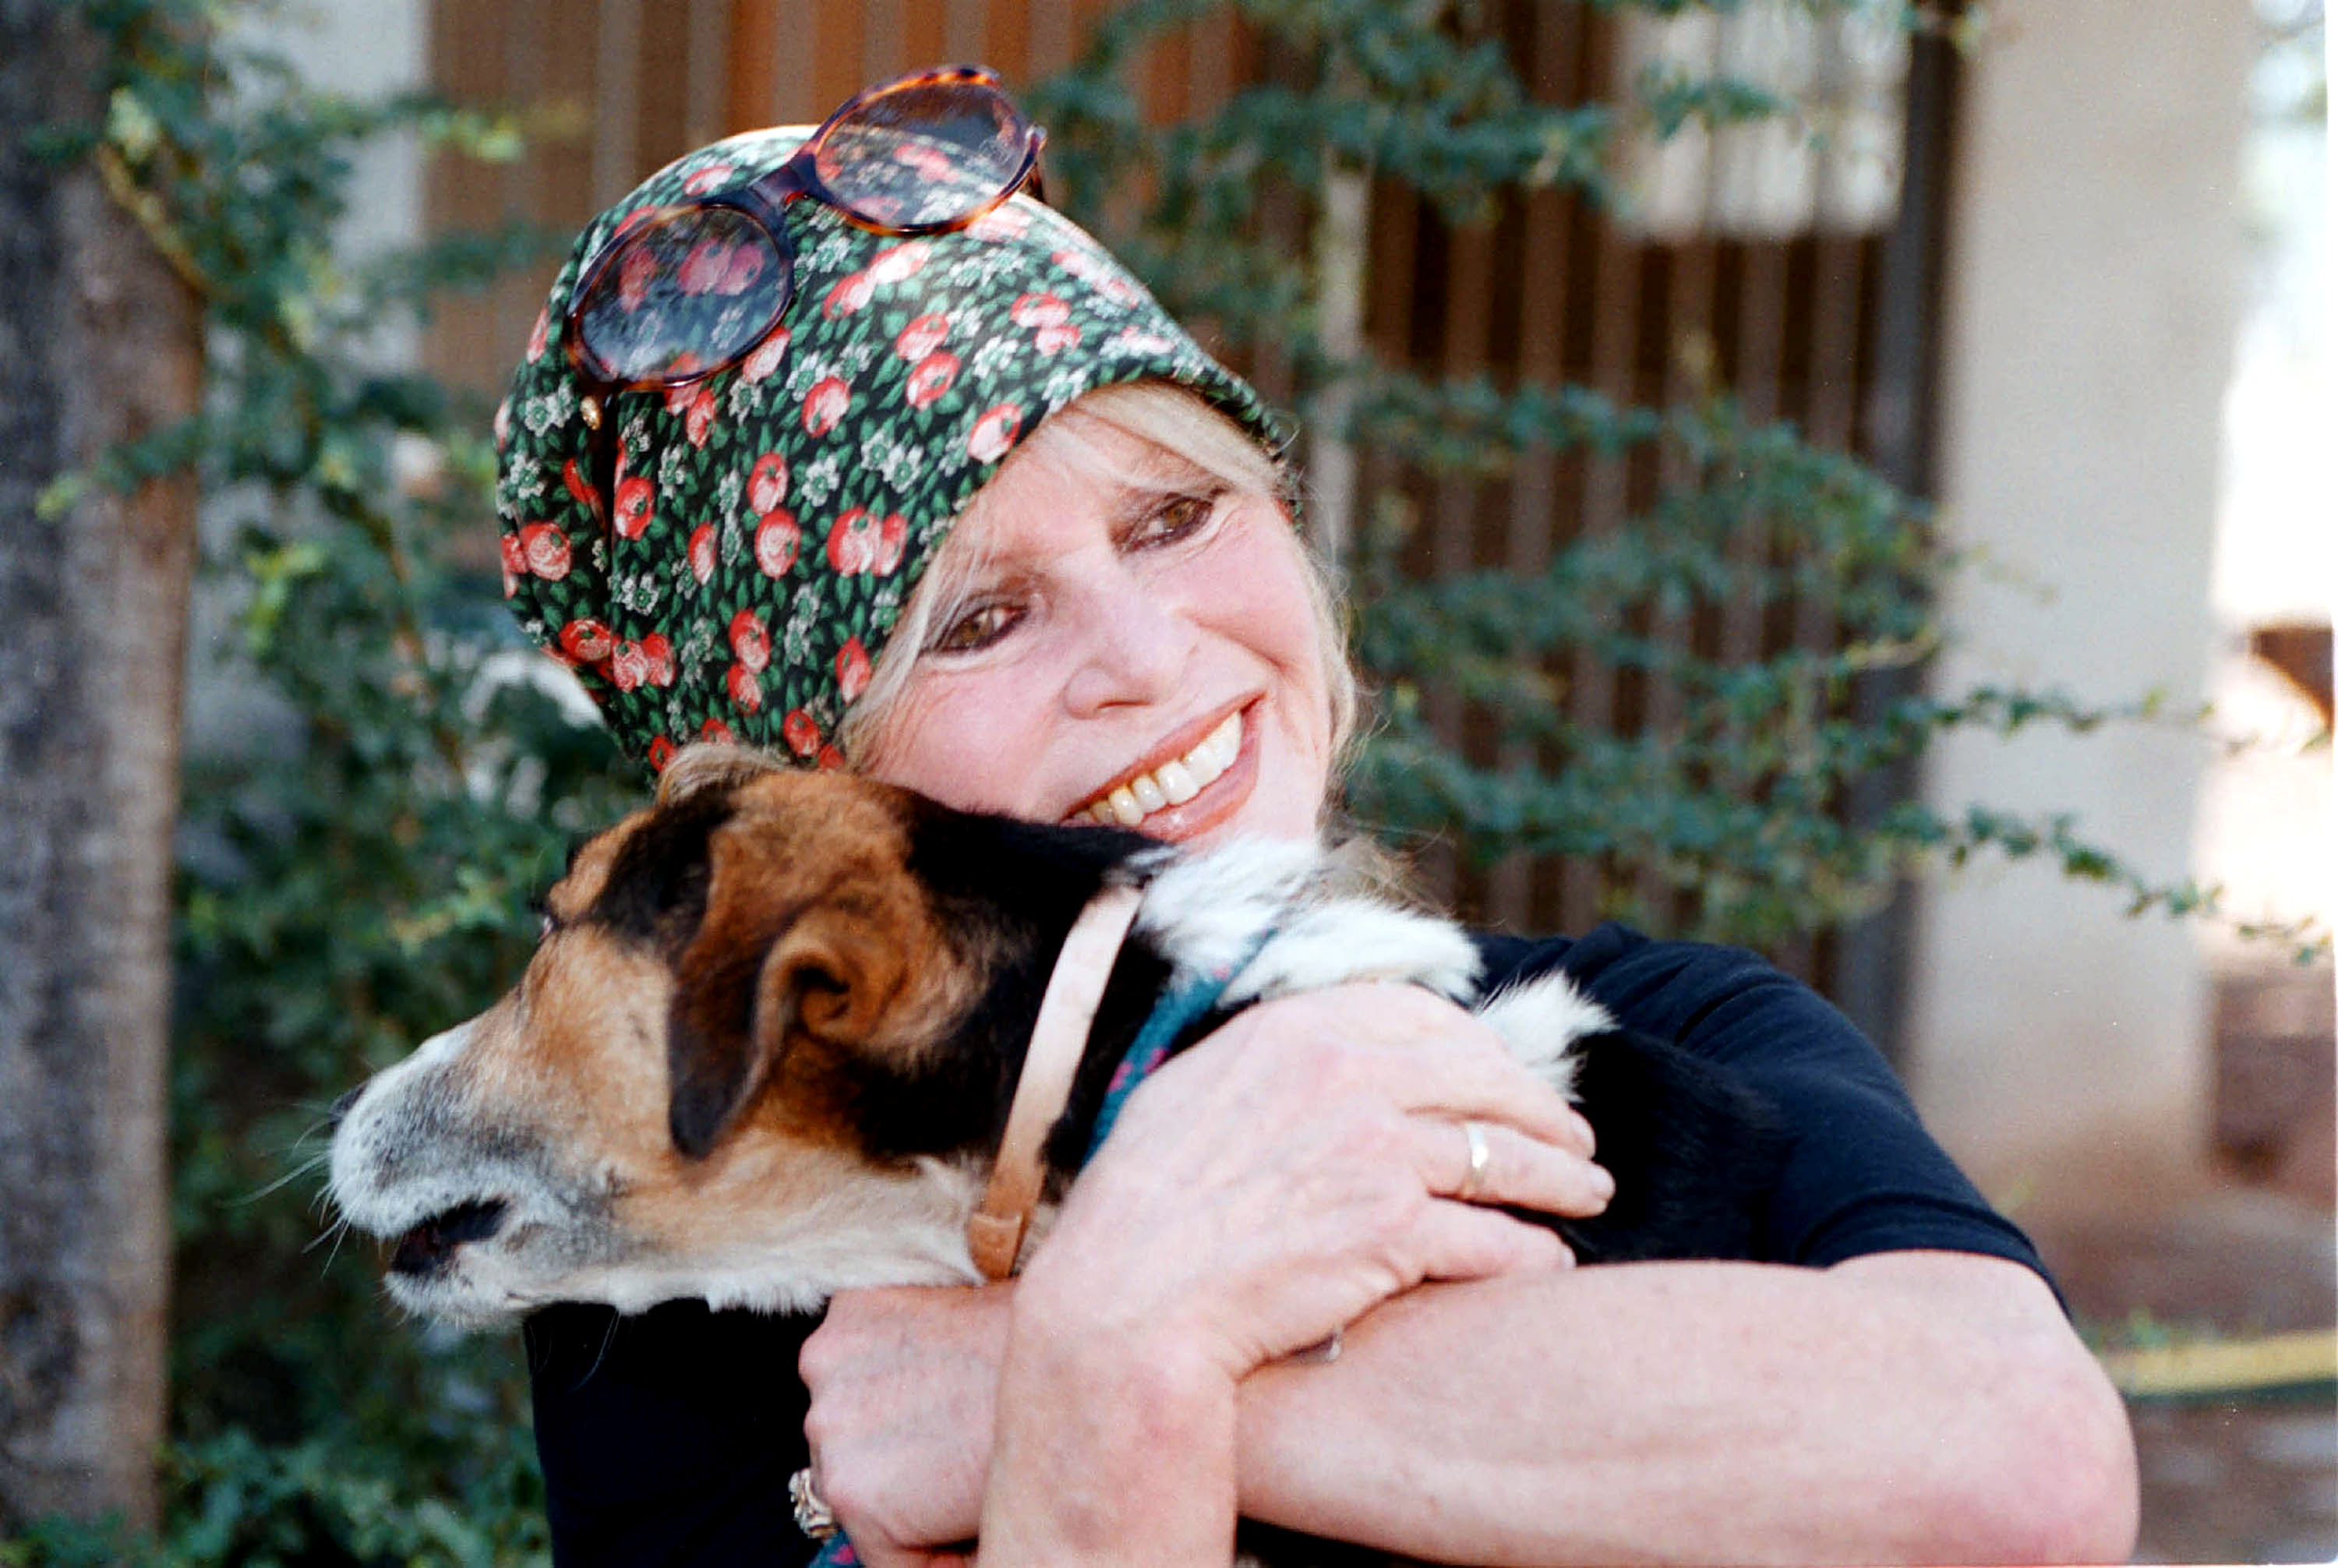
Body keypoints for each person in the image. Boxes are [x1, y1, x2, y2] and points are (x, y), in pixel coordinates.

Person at [495, 70, 2138, 1566]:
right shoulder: (695, 1310)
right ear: (815, 819)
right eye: (979, 623)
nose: (1149, 659)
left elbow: (2020, 1467)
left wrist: (1091, 1362)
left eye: (1176, 516)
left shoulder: (1653, 1034)